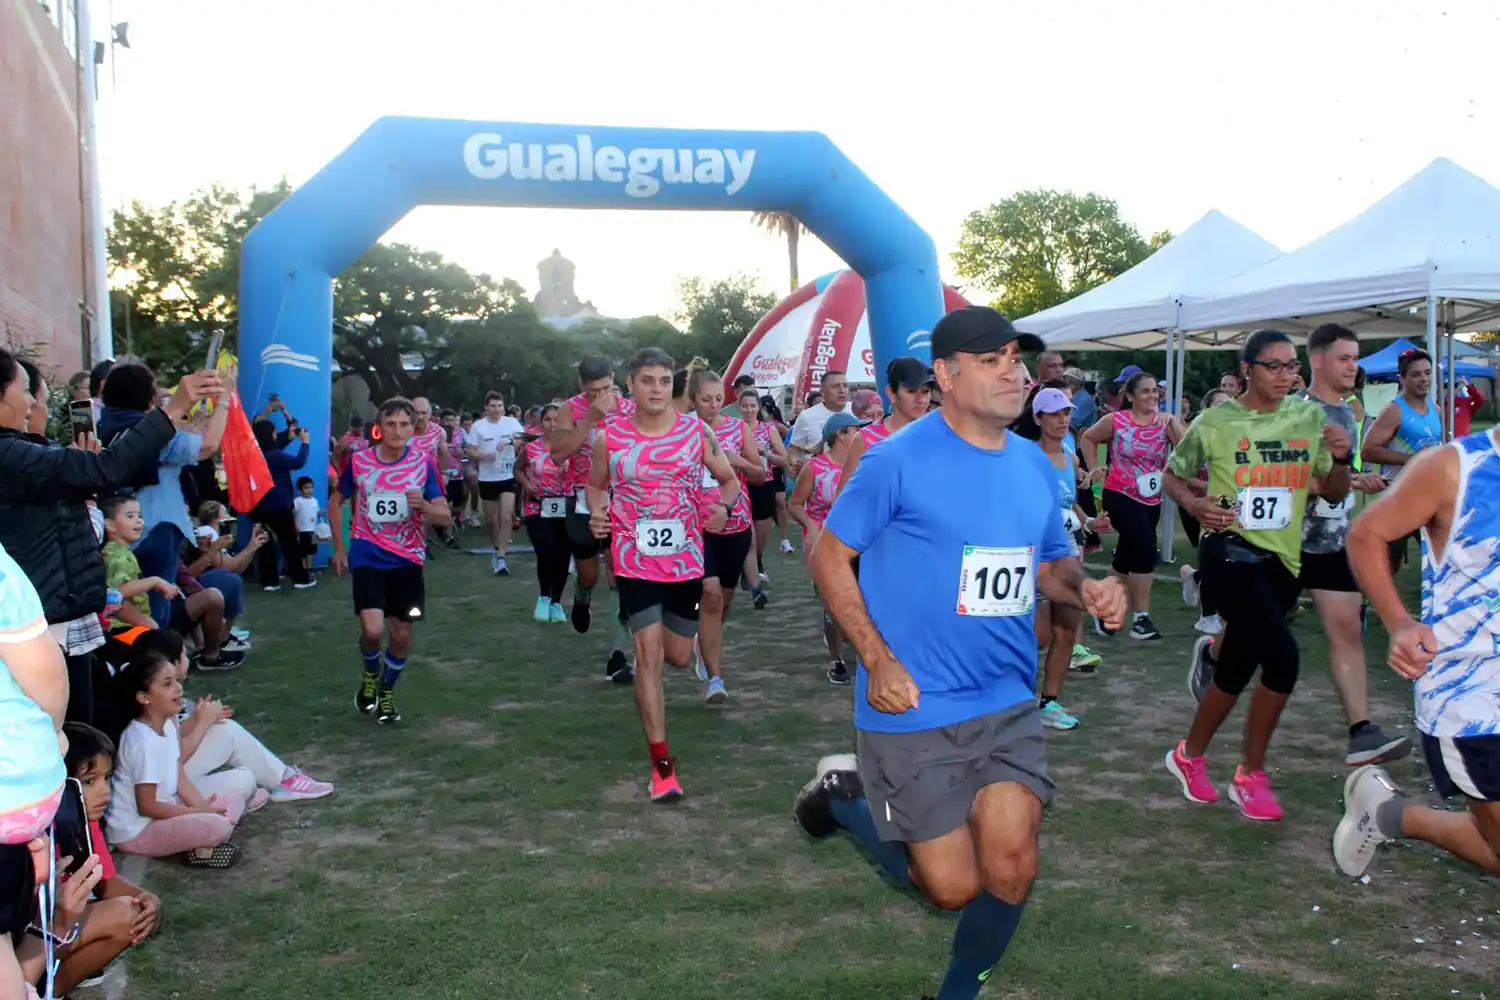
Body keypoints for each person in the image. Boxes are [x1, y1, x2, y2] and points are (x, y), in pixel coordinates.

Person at [792, 306, 1125, 1000]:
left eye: (1016, 359)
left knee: (1012, 870)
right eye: (992, 360)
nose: (1014, 373)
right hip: (914, 702)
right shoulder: (895, 460)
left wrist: (1086, 589)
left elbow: (1049, 565)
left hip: (1006, 698)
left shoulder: (1032, 465)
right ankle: (844, 796)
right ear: (945, 375)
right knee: (949, 888)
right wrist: (876, 658)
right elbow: (829, 557)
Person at [1162, 329, 1352, 822]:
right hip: (1228, 551)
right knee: (1283, 659)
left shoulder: (1309, 418)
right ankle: (1250, 775)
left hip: (1283, 561)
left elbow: (1333, 490)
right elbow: (1172, 475)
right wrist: (1195, 505)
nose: (1286, 375)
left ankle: (1188, 755)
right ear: (1247, 369)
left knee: (1237, 666)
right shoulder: (1215, 421)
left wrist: (1343, 457)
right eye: (1275, 366)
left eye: (1293, 366)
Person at [0, 351, 221, 723]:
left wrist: (81, 479)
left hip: (61, 621)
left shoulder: (20, 452)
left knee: (82, 725)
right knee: (71, 733)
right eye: (26, 391)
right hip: (48, 627)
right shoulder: (9, 454)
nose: (34, 404)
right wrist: (174, 408)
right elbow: (109, 467)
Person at [1333, 415, 1500, 878]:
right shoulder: (1454, 467)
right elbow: (1366, 533)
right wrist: (1399, 622)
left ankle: (1388, 812)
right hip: (1473, 697)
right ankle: (1398, 816)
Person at [586, 347, 739, 801]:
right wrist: (598, 512)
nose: (656, 389)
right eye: (647, 380)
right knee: (649, 655)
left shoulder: (696, 431)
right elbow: (595, 486)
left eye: (664, 381)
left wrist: (723, 509)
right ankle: (663, 770)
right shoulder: (610, 437)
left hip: (685, 561)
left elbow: (729, 480)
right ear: (630, 385)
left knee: (677, 656)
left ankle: (663, 657)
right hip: (633, 560)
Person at [1294, 324, 1410, 765]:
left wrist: (1349, 477)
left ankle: (1362, 731)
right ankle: (1212, 654)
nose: (1353, 367)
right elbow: (1283, 478)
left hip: (1331, 540)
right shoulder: (1293, 412)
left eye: (1355, 358)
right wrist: (1330, 482)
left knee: (1346, 631)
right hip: (1283, 543)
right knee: (1247, 633)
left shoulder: (1346, 414)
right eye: (1344, 358)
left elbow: (1336, 480)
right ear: (1317, 361)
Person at [330, 397, 451, 725]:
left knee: (401, 636)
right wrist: (339, 547)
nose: (398, 431)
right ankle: (371, 673)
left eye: (404, 424)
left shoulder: (423, 463)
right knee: (372, 630)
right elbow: (337, 499)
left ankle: (386, 691)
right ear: (379, 428)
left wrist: (424, 506)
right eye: (391, 424)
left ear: (413, 428)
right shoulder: (359, 462)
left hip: (407, 560)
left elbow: (444, 516)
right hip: (367, 553)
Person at [98, 363, 232, 628]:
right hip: (155, 531)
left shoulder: (107, 426)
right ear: (147, 399)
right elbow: (206, 447)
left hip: (119, 532)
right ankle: (161, 653)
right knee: (156, 613)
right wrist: (225, 399)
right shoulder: (148, 433)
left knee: (127, 610)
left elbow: (183, 445)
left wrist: (192, 424)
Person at [106, 649, 262, 868]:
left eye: (176, 681)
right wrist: (198, 812)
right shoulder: (142, 742)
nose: (178, 688)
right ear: (144, 697)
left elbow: (179, 776)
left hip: (166, 808)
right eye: (167, 683)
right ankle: (203, 844)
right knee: (217, 825)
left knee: (234, 796)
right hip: (138, 830)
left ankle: (203, 838)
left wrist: (203, 806)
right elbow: (148, 807)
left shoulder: (168, 724)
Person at [56, 722, 162, 995]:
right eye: (89, 781)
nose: (104, 790)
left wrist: (148, 899)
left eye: (107, 777)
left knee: (135, 913)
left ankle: (52, 989)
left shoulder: (87, 821)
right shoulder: (37, 832)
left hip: (54, 928)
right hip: (25, 936)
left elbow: (106, 882)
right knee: (123, 913)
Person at [1026, 387, 1109, 728]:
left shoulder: (1071, 458)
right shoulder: (1026, 458)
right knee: (1040, 635)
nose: (1062, 420)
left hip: (1068, 551)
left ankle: (1049, 704)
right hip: (1037, 558)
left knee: (1066, 630)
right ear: (1038, 419)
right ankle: (1013, 698)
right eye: (1054, 414)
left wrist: (1088, 522)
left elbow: (1069, 501)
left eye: (1066, 413)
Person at [1079, 370, 1184, 640]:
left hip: (1151, 498)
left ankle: (1102, 606)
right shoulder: (1117, 420)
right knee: (1146, 548)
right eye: (1146, 391)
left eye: (1155, 391)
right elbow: (1088, 438)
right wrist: (1094, 467)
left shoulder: (1164, 422)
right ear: (1130, 395)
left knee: (1127, 556)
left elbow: (1187, 451)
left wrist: (1174, 422)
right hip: (1120, 494)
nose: (1152, 396)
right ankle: (1141, 619)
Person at [552, 357, 639, 681]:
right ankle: (582, 595)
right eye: (592, 391)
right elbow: (558, 454)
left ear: (614, 380)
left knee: (620, 573)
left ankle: (617, 655)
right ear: (581, 386)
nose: (600, 396)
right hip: (582, 501)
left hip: (623, 500)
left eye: (605, 388)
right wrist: (589, 419)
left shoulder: (630, 409)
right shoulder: (570, 409)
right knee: (589, 574)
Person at [689, 370, 765, 704]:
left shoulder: (738, 429)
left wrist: (738, 462)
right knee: (710, 594)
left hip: (735, 525)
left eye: (719, 398)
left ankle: (705, 641)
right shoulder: (683, 430)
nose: (714, 405)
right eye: (706, 399)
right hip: (696, 527)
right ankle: (715, 679)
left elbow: (760, 475)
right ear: (693, 399)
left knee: (724, 600)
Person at [101, 496, 241, 670]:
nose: (138, 521)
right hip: (122, 629)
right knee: (169, 656)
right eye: (130, 516)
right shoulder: (116, 556)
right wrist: (155, 581)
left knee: (174, 654)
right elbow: (118, 591)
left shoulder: (123, 552)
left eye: (139, 515)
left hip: (131, 626)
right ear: (110, 525)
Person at [789, 412, 863, 686]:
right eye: (855, 430)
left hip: (858, 539)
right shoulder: (815, 467)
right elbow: (794, 504)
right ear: (841, 435)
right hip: (825, 540)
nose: (861, 435)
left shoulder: (864, 463)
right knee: (833, 602)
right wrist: (811, 525)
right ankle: (837, 660)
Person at [1361, 348, 1441, 571]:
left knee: (1440, 560)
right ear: (1402, 379)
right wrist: (1412, 459)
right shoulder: (1394, 411)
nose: (1424, 379)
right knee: (1387, 566)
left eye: (1427, 373)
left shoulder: (1434, 409)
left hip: (1430, 497)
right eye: (1416, 374)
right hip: (1399, 497)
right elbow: (1367, 451)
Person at [835, 357, 934, 497]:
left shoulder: (940, 434)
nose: (920, 399)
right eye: (911, 391)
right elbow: (843, 497)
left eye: (925, 391)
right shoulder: (866, 439)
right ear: (891, 393)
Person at [1177, 388, 1231, 635]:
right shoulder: (1197, 436)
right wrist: (1208, 486)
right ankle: (1208, 616)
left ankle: (1196, 577)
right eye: (1219, 404)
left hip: (1229, 505)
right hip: (1199, 504)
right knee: (1215, 555)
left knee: (1225, 559)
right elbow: (1179, 474)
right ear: (1207, 409)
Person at [516, 403, 572, 623]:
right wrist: (526, 483)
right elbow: (518, 469)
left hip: (565, 507)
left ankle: (556, 602)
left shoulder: (572, 448)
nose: (553, 424)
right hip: (537, 507)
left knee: (562, 556)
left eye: (557, 420)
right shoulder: (531, 448)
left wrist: (570, 472)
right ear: (541, 422)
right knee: (546, 552)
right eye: (548, 419)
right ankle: (544, 596)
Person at [464, 391, 524, 575]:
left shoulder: (511, 423)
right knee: (491, 519)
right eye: (493, 406)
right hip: (487, 478)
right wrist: (482, 455)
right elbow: (470, 450)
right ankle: (496, 547)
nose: (497, 409)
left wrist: (511, 442)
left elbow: (522, 439)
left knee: (506, 516)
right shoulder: (478, 426)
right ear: (486, 407)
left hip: (507, 475)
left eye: (499, 406)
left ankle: (502, 557)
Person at [250, 419, 314, 592]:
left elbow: (273, 451)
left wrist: (288, 438)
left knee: (265, 545)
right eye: (274, 433)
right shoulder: (275, 456)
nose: (275, 435)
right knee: (289, 544)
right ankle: (300, 579)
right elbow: (298, 462)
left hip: (260, 507)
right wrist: (305, 442)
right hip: (280, 507)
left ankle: (269, 582)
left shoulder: (254, 454)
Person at [739, 389, 790, 590]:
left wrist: (766, 452)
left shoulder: (768, 430)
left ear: (758, 407)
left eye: (753, 406)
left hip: (764, 485)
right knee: (745, 533)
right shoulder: (734, 429)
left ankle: (756, 561)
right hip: (740, 486)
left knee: (761, 535)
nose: (749, 410)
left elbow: (784, 460)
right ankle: (749, 570)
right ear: (739, 407)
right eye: (745, 406)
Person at [788, 369, 849, 469]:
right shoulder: (807, 417)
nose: (842, 391)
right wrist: (798, 464)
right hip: (820, 475)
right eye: (835, 387)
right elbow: (793, 449)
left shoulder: (856, 411)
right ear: (822, 392)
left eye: (845, 386)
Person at [293, 476, 320, 572]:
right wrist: (295, 527)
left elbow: (316, 513)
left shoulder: (315, 501)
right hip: (301, 530)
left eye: (311, 487)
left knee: (310, 552)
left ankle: (309, 570)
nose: (309, 490)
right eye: (306, 488)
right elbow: (292, 514)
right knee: (302, 552)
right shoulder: (297, 501)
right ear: (300, 489)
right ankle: (303, 570)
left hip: (312, 530)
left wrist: (321, 514)